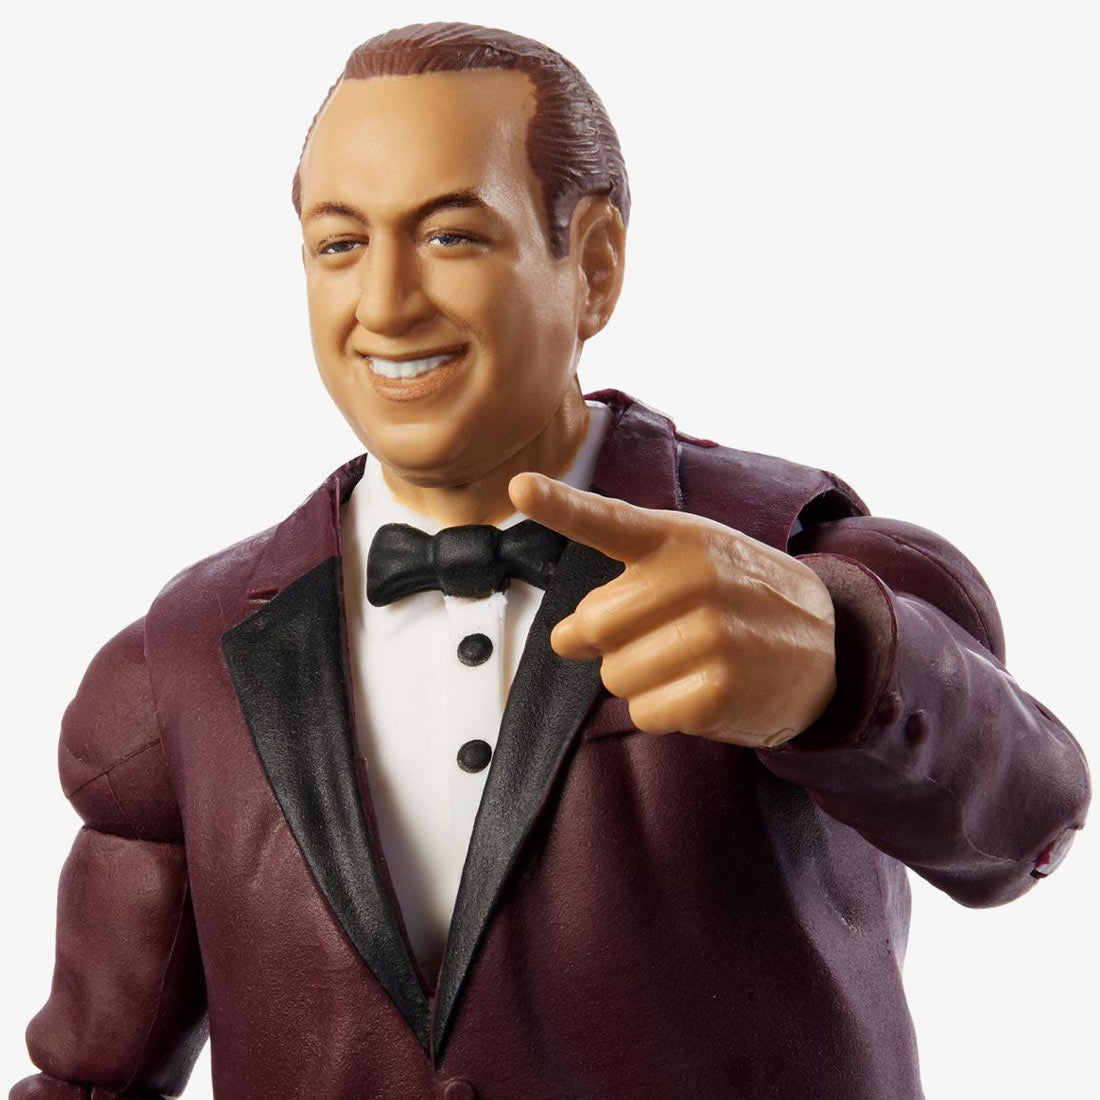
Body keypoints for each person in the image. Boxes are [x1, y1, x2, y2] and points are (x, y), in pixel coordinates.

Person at [12, 22, 1089, 1100]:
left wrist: (839, 669)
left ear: (596, 265)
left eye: (451, 237)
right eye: (340, 245)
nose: (385, 304)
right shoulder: (184, 662)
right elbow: (95, 1072)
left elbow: (1023, 817)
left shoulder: (787, 558)